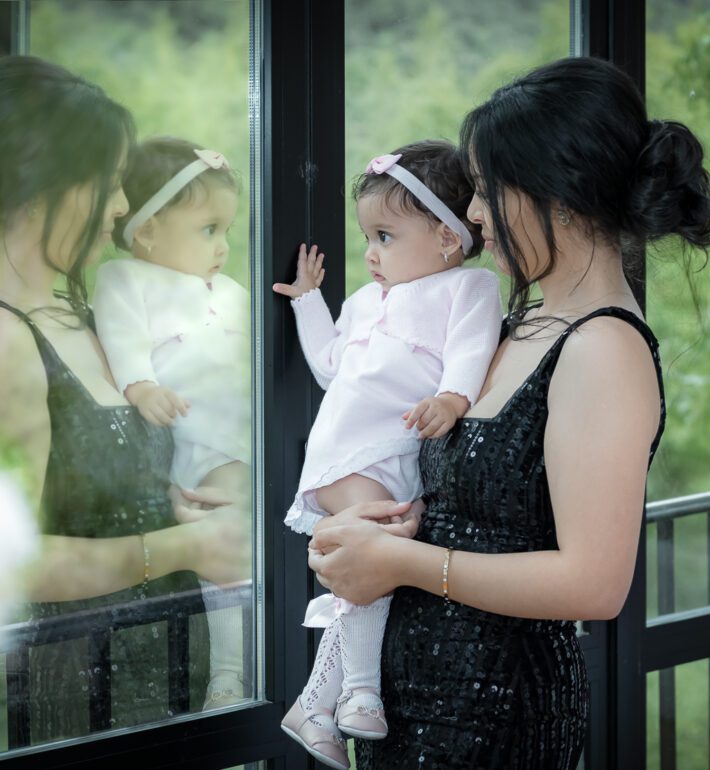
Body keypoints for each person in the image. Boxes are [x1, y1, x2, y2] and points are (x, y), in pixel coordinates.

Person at [308, 56, 710, 769]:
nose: (471, 214)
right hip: (420, 703)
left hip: (496, 716)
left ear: (558, 195)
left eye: (489, 190)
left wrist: (402, 560)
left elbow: (594, 583)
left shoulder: (602, 348)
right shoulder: (518, 321)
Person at [0, 55, 248, 744]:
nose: (119, 207)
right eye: (109, 183)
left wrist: (177, 502)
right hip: (86, 694)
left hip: (177, 660)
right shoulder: (6, 340)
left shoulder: (82, 313)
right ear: (48, 183)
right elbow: (13, 563)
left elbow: (96, 491)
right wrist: (179, 544)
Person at [273, 140, 502, 770]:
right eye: (367, 238)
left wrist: (454, 396)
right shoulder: (362, 303)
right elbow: (327, 368)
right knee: (376, 563)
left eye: (385, 236)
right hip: (350, 452)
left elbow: (472, 349)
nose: (370, 255)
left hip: (392, 457)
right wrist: (307, 301)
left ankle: (316, 706)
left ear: (448, 238)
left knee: (371, 569)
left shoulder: (467, 288)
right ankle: (360, 694)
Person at [92, 136, 250, 709]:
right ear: (149, 230)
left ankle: (282, 663)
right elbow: (120, 330)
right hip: (203, 441)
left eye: (228, 231)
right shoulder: (126, 279)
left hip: (253, 436)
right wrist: (140, 383)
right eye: (209, 230)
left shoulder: (232, 292)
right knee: (228, 541)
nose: (224, 247)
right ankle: (229, 674)